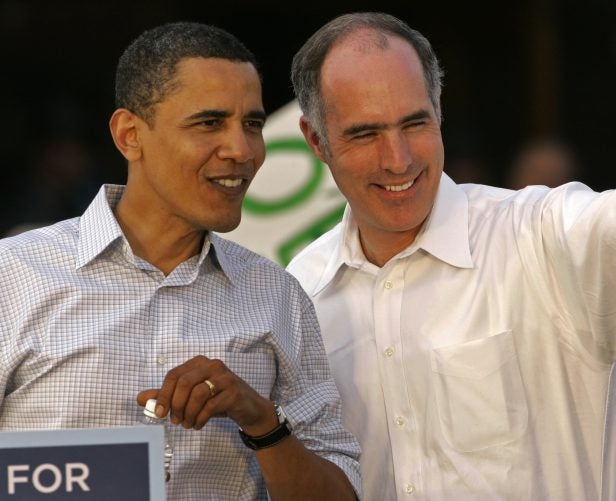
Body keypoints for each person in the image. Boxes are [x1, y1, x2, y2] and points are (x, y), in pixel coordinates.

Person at [286, 12, 616, 500]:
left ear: (439, 108)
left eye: (414, 123)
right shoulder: (300, 292)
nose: (398, 157)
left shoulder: (538, 237)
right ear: (316, 140)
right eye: (366, 134)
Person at [0, 22, 360, 500]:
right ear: (130, 135)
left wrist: (261, 422)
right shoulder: (13, 276)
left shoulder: (279, 297)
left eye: (252, 124)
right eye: (209, 123)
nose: (242, 150)